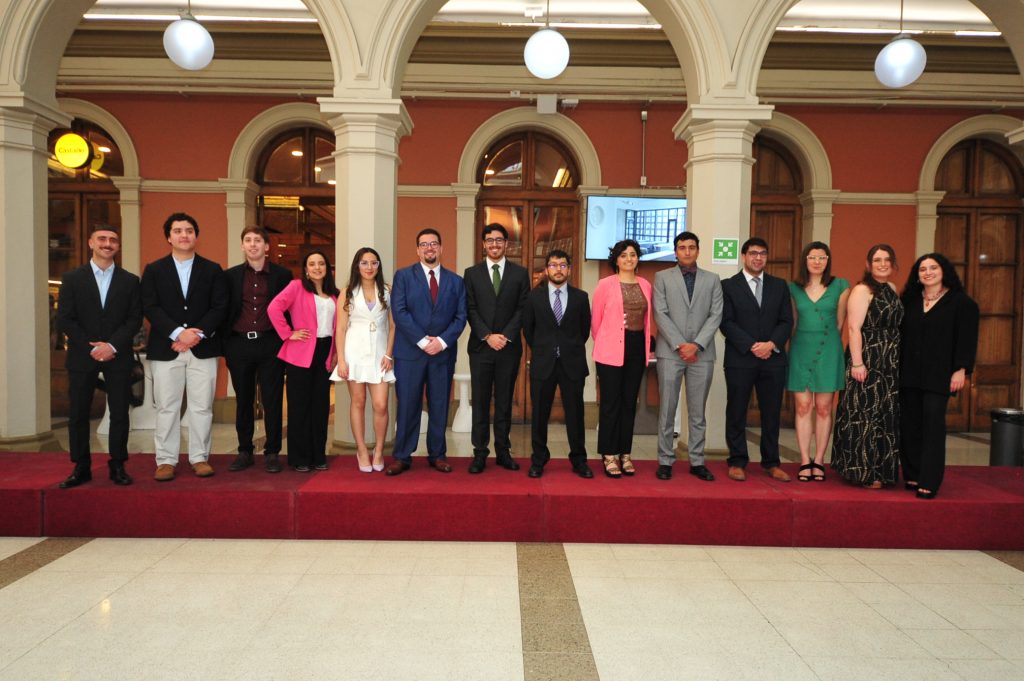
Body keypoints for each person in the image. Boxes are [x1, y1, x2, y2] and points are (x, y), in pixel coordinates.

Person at [141, 212, 228, 482]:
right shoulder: (154, 270)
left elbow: (220, 306)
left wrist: (196, 334)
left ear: (196, 236)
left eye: (189, 230)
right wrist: (179, 333)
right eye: (178, 231)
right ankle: (166, 460)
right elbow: (150, 306)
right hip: (166, 349)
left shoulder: (212, 269)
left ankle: (199, 457)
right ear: (169, 237)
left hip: (203, 349)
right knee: (167, 407)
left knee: (202, 407)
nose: (184, 235)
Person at [56, 226, 142, 488]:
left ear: (118, 246)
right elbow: (65, 319)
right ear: (91, 243)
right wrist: (91, 347)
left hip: (118, 355)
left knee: (120, 412)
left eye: (113, 240)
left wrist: (112, 345)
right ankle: (81, 467)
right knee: (78, 413)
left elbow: (134, 319)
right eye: (102, 239)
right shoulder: (72, 278)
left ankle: (118, 465)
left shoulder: (130, 281)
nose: (107, 243)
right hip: (83, 356)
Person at [387, 228, 467, 476]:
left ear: (441, 248)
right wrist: (423, 341)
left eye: (433, 243)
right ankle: (402, 456)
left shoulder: (456, 281)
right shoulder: (403, 276)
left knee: (440, 405)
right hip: (410, 354)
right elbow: (399, 312)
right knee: (407, 405)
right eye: (424, 244)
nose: (429, 248)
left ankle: (438, 454)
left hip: (442, 354)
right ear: (417, 250)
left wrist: (441, 342)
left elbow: (461, 316)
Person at [899, 253, 979, 499]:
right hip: (909, 373)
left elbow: (967, 339)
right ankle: (912, 474)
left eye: (933, 268)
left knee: (933, 425)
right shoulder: (909, 301)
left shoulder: (961, 303)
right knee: (910, 425)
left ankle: (929, 481)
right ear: (917, 275)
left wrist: (961, 369)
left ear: (944, 271)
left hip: (940, 375)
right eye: (922, 269)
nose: (928, 272)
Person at [719, 237, 794, 482]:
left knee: (771, 413)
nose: (758, 257)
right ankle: (737, 460)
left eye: (762, 253)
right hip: (740, 359)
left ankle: (771, 462)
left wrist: (771, 344)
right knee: (737, 411)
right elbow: (726, 322)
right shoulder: (728, 286)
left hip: (773, 359)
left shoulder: (779, 285)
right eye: (753, 253)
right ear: (744, 256)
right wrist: (752, 346)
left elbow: (786, 321)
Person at [652, 231, 723, 482]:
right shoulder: (662, 277)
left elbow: (716, 314)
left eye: (692, 247)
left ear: (698, 250)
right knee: (667, 408)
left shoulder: (712, 279)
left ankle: (697, 460)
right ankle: (665, 460)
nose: (687, 252)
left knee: (697, 411)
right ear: (675, 252)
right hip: (670, 352)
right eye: (682, 248)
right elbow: (660, 313)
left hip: (702, 354)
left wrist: (697, 345)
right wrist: (681, 344)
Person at [832, 244, 903, 489]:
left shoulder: (892, 288)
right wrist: (858, 363)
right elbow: (854, 328)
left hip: (889, 362)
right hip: (867, 360)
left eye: (887, 259)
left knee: (885, 415)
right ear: (868, 264)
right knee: (864, 416)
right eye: (877, 260)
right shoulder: (862, 290)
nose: (882, 264)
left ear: (893, 263)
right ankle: (863, 471)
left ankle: (882, 470)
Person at [222, 227, 292, 474]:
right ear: (242, 245)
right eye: (248, 240)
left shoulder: (282, 276)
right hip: (239, 344)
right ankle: (245, 451)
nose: (253, 244)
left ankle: (272, 452)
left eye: (258, 240)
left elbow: (290, 309)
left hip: (270, 343)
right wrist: (226, 344)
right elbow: (223, 309)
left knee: (272, 400)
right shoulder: (230, 276)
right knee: (244, 400)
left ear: (267, 246)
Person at [464, 223, 530, 474]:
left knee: (504, 402)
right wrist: (487, 336)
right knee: (480, 402)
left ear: (506, 244)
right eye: (490, 240)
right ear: (483, 244)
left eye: (499, 240)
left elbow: (523, 308)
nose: (494, 244)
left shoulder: (520, 274)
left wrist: (506, 336)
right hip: (481, 348)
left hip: (508, 348)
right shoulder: (472, 274)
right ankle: (480, 453)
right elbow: (470, 308)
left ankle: (503, 451)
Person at [523, 250, 594, 479]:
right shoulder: (534, 297)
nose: (558, 269)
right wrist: (546, 349)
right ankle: (538, 459)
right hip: (543, 363)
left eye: (563, 265)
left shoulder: (580, 297)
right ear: (546, 270)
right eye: (553, 265)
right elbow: (529, 330)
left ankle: (579, 460)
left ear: (569, 270)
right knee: (539, 415)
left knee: (575, 414)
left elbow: (584, 331)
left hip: (572, 364)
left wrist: (566, 348)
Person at [268, 250, 339, 472]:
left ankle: (318, 455)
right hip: (301, 352)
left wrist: (336, 353)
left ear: (327, 268)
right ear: (306, 269)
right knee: (299, 406)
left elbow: (338, 327)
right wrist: (288, 333)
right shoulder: (296, 287)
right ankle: (300, 457)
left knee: (321, 406)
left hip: (325, 351)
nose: (317, 267)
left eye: (321, 263)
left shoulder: (334, 294)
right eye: (312, 264)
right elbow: (273, 308)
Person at [787, 241, 850, 482]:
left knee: (824, 408)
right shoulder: (793, 288)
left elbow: (840, 323)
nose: (817, 262)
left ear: (828, 260)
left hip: (828, 349)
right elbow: (792, 322)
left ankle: (820, 460)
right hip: (801, 349)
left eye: (822, 257)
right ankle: (805, 460)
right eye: (812, 257)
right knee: (803, 406)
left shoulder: (841, 285)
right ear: (805, 260)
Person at [591, 239, 652, 478]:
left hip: (637, 347)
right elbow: (596, 322)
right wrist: (607, 342)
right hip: (610, 349)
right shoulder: (605, 284)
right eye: (624, 255)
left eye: (633, 254)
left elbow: (647, 320)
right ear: (616, 259)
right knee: (610, 404)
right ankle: (608, 454)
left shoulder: (646, 285)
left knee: (629, 403)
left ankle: (625, 453)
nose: (629, 259)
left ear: (638, 258)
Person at [334, 247, 396, 473]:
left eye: (374, 263)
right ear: (357, 266)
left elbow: (393, 326)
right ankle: (361, 450)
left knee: (381, 404)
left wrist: (388, 354)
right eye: (364, 263)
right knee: (358, 402)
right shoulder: (347, 292)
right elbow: (341, 329)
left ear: (379, 266)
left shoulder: (387, 290)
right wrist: (341, 360)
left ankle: (378, 450)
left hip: (380, 354)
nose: (369, 267)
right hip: (354, 353)